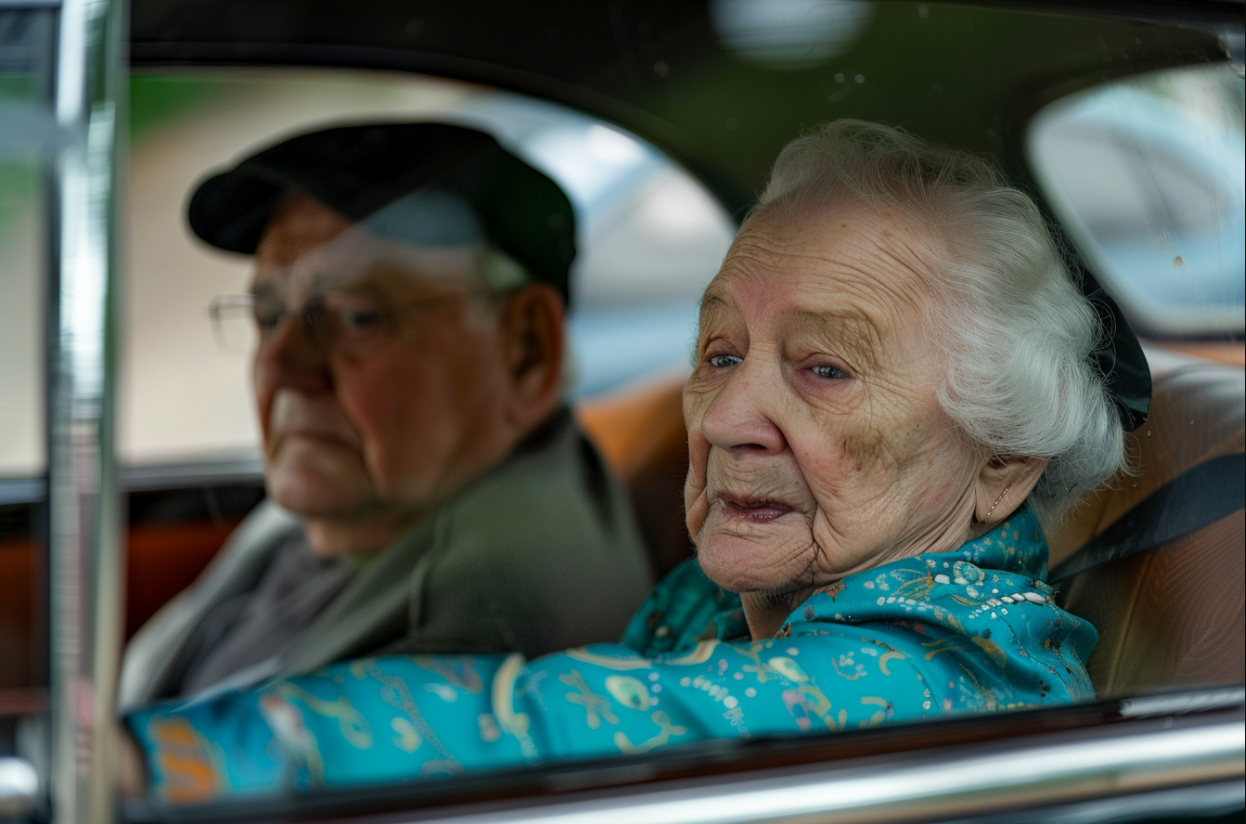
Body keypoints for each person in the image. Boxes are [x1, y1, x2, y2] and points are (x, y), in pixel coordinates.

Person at [123, 120, 1130, 802]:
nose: (729, 414)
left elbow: (541, 726)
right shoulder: (740, 585)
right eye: (719, 352)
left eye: (824, 368)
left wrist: (146, 762)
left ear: (1002, 458)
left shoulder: (933, 685)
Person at [117, 123, 654, 709]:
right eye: (270, 318)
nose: (281, 366)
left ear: (527, 349)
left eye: (357, 317)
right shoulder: (378, 500)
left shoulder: (457, 657)